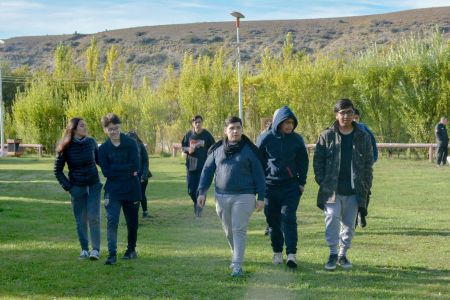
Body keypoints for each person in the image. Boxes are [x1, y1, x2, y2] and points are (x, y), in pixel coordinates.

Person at [197, 116, 265, 277]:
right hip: (221, 196)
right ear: (225, 131)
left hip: (245, 196)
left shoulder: (249, 150)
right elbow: (207, 171)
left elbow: (259, 175)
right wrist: (202, 192)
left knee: (238, 229)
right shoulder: (217, 150)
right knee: (228, 231)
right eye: (232, 128)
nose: (235, 131)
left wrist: (261, 196)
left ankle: (237, 265)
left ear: (242, 130)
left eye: (238, 128)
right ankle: (237, 254)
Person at [313, 99, 373, 270]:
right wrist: (323, 181)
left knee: (348, 223)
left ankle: (343, 254)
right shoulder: (327, 135)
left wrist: (366, 184)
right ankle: (332, 253)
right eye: (342, 112)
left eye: (349, 112)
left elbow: (368, 164)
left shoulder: (363, 137)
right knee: (331, 217)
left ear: (354, 114)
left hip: (355, 190)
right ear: (336, 114)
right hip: (332, 189)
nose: (345, 116)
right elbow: (318, 161)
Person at [257, 106, 309, 269]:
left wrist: (301, 182)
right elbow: (257, 162)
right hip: (269, 187)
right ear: (278, 122)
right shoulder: (265, 138)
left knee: (288, 217)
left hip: (290, 186)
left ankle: (291, 254)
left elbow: (303, 161)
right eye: (286, 122)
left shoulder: (297, 140)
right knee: (273, 221)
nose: (289, 126)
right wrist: (260, 185)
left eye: (292, 123)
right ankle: (277, 252)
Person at [54, 118, 102, 260]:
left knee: (94, 217)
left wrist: (116, 170)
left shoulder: (91, 142)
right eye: (82, 126)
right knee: (81, 220)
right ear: (74, 129)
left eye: (85, 125)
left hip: (94, 185)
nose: (85, 128)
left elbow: (101, 162)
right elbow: (57, 170)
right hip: (77, 187)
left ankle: (95, 250)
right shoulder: (65, 146)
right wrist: (69, 187)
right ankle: (84, 250)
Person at [98, 113, 141, 265]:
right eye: (110, 129)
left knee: (132, 222)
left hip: (132, 189)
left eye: (116, 128)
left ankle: (131, 250)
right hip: (113, 190)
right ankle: (112, 254)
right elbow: (106, 172)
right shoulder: (103, 149)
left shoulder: (130, 143)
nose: (114, 131)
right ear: (105, 130)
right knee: (112, 220)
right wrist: (127, 170)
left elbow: (136, 166)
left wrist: (116, 169)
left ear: (120, 127)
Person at [181, 115, 215, 217]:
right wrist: (188, 150)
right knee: (191, 190)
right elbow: (183, 147)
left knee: (201, 190)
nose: (197, 124)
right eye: (195, 122)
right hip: (191, 166)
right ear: (193, 124)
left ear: (202, 123)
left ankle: (199, 212)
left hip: (204, 167)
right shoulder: (188, 135)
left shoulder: (207, 135)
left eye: (199, 122)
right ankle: (197, 203)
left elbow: (214, 148)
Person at [353, 109, 378, 228]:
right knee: (351, 193)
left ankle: (362, 213)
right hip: (350, 169)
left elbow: (373, 144)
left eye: (356, 118)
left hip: (363, 167)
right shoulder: (344, 131)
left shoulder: (364, 129)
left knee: (366, 191)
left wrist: (373, 159)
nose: (354, 120)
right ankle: (352, 218)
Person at [127, 131, 152, 218]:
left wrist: (144, 175)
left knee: (141, 194)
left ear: (136, 138)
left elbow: (146, 161)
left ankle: (145, 212)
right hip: (131, 176)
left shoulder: (140, 146)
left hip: (142, 175)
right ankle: (134, 215)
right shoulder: (126, 148)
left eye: (132, 139)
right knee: (133, 196)